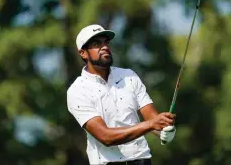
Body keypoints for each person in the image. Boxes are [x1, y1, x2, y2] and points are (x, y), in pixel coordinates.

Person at [67, 24, 176, 165]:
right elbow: (106, 137)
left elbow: (152, 119)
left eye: (106, 42)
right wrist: (151, 124)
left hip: (142, 160)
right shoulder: (77, 90)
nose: (104, 46)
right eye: (96, 44)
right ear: (83, 53)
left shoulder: (129, 76)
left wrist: (164, 128)